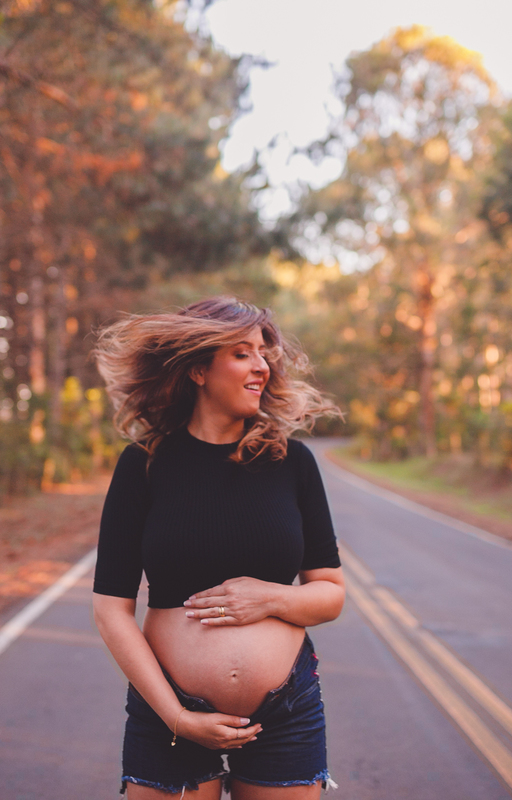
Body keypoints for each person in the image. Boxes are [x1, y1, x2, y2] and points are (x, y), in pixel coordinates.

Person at [91, 297, 346, 799]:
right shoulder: (143, 465)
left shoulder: (292, 463)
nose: (262, 366)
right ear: (198, 369)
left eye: (264, 353)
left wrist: (271, 598)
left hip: (284, 712)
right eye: (243, 353)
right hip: (168, 709)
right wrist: (176, 717)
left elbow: (331, 595)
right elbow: (110, 610)